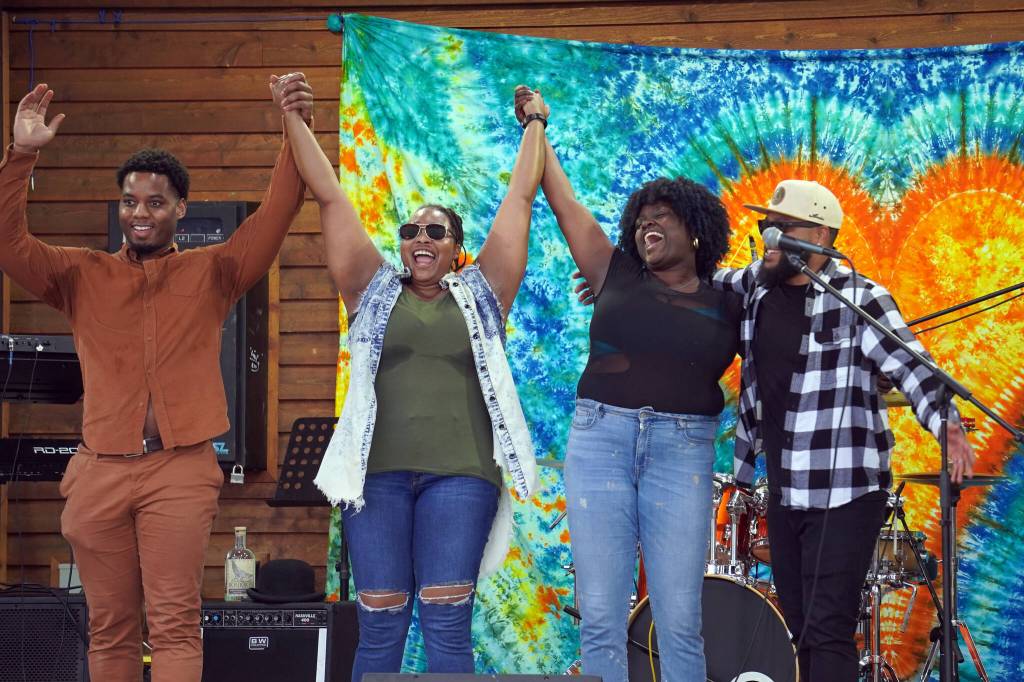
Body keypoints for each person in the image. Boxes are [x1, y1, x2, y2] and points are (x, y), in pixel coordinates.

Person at [0, 77, 312, 681]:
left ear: (180, 208)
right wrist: (21, 155)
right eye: (130, 202)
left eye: (155, 202)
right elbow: (9, 244)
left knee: (173, 621)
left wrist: (290, 125)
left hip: (178, 468)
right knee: (109, 627)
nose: (140, 213)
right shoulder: (79, 274)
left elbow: (277, 213)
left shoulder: (214, 270)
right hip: (99, 471)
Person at [306, 88, 546, 679]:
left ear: (458, 250)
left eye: (436, 232)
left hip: (460, 478)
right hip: (375, 481)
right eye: (411, 229)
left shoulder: (485, 294)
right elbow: (331, 197)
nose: (421, 237)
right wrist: (294, 120)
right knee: (381, 622)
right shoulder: (371, 291)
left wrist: (535, 124)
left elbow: (519, 197)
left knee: (444, 623)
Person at [515, 87, 741, 682]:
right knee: (600, 617)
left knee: (680, 620)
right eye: (641, 220)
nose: (647, 225)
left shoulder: (733, 299)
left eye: (661, 218)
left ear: (696, 231)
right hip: (600, 441)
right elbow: (561, 202)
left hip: (682, 450)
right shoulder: (613, 270)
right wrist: (538, 122)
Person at [711, 179, 976, 682]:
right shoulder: (753, 288)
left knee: (828, 627)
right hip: (786, 491)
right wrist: (630, 284)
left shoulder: (861, 298)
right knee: (801, 628)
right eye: (766, 226)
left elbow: (914, 369)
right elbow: (697, 283)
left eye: (783, 228)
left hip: (849, 490)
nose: (769, 236)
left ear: (820, 235)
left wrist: (949, 427)